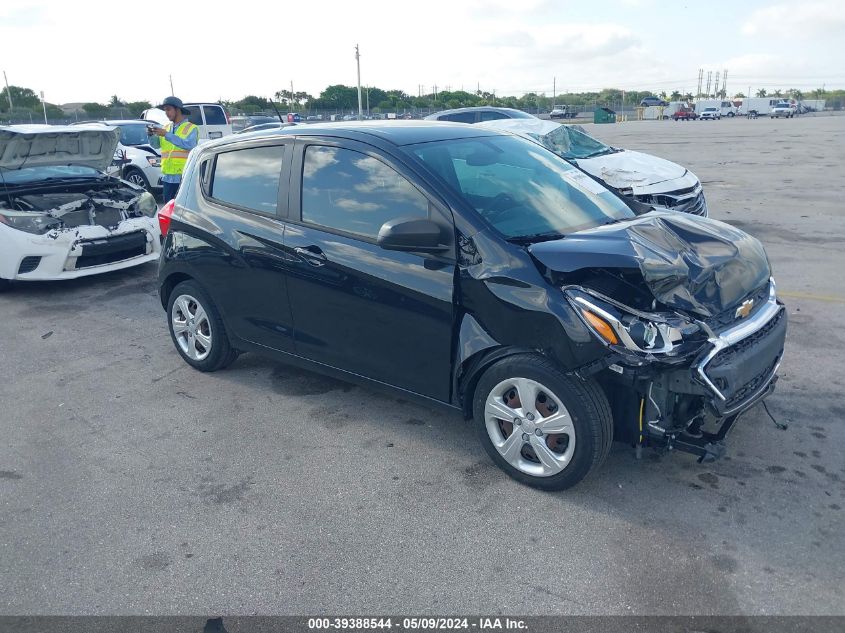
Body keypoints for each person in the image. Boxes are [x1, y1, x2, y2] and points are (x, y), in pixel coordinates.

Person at [148, 96, 198, 202]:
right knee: (168, 211)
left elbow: (189, 145)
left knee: (182, 211)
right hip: (167, 178)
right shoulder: (166, 128)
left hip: (184, 177)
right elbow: (156, 145)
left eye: (168, 109)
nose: (166, 112)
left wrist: (167, 134)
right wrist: (151, 135)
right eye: (165, 110)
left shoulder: (192, 128)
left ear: (178, 110)